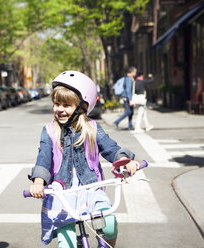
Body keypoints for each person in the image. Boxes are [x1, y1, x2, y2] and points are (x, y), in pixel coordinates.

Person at [28, 71, 140, 247]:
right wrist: (38, 182)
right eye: (56, 104)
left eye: (66, 105)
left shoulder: (92, 128)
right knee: (67, 243)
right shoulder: (49, 130)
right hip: (62, 193)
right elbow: (43, 157)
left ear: (81, 107)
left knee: (109, 225)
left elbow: (110, 148)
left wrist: (126, 162)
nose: (59, 109)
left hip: (91, 190)